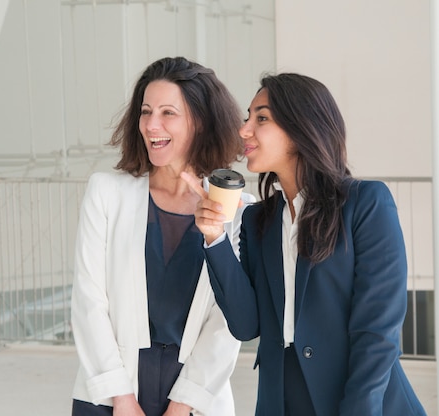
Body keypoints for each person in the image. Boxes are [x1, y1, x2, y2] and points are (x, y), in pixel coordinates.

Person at [182, 73, 427, 415]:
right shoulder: (258, 221)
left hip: (361, 401)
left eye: (261, 118)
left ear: (301, 129)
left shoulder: (367, 204)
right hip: (281, 400)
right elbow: (246, 324)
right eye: (247, 118)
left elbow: (378, 333)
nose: (244, 130)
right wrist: (214, 237)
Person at [70, 56, 254, 416]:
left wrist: (183, 404)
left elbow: (226, 322)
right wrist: (120, 398)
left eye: (168, 113)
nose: (151, 125)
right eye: (145, 111)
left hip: (198, 396)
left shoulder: (239, 210)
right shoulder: (107, 192)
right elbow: (88, 299)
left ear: (199, 122)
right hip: (111, 390)